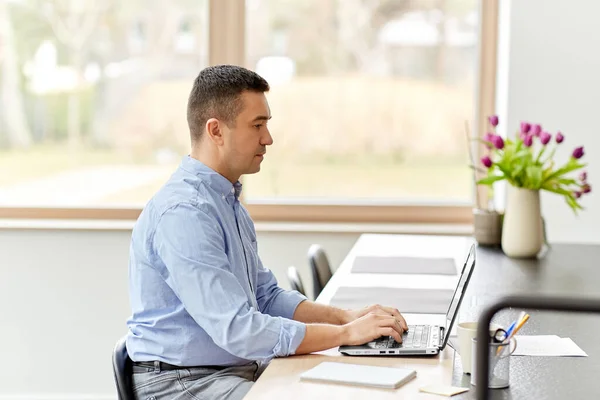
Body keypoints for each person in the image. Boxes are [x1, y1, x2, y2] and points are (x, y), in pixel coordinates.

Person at [126, 64, 408, 400]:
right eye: (257, 125)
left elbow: (267, 297)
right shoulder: (185, 214)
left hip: (230, 371)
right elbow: (238, 330)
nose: (268, 138)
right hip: (182, 384)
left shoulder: (225, 201)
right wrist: (345, 333)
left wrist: (345, 317)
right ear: (216, 130)